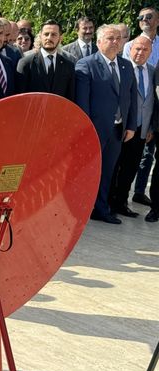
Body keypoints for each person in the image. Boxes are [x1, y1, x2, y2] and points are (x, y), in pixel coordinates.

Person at [75, 24, 137, 224]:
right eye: (110, 38)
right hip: (94, 129)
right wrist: (86, 129)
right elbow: (82, 102)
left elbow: (131, 99)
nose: (116, 42)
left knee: (108, 171)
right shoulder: (86, 64)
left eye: (118, 38)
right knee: (87, 171)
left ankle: (100, 209)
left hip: (117, 131)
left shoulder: (127, 66)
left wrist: (130, 126)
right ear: (99, 41)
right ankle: (79, 209)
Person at [109, 36, 155, 218]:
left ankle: (121, 203)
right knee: (115, 167)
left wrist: (150, 126)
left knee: (130, 169)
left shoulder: (152, 71)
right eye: (137, 49)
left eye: (145, 50)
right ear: (129, 49)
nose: (140, 53)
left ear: (150, 53)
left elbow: (152, 101)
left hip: (142, 129)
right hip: (122, 128)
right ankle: (109, 202)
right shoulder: (122, 68)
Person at [16, 19, 75, 101]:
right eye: (46, 34)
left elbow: (70, 98)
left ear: (60, 38)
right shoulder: (26, 63)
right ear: (40, 36)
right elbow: (19, 98)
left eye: (53, 35)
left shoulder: (68, 66)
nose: (49, 38)